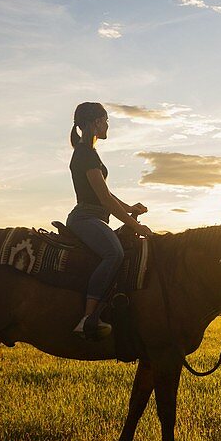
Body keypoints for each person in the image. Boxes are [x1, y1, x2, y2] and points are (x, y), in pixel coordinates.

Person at [65, 102, 153, 339]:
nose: (107, 126)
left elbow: (105, 194)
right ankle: (88, 318)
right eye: (105, 121)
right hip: (85, 218)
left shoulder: (88, 153)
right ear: (95, 122)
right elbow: (103, 198)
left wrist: (129, 208)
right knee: (114, 253)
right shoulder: (85, 153)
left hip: (95, 217)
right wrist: (136, 226)